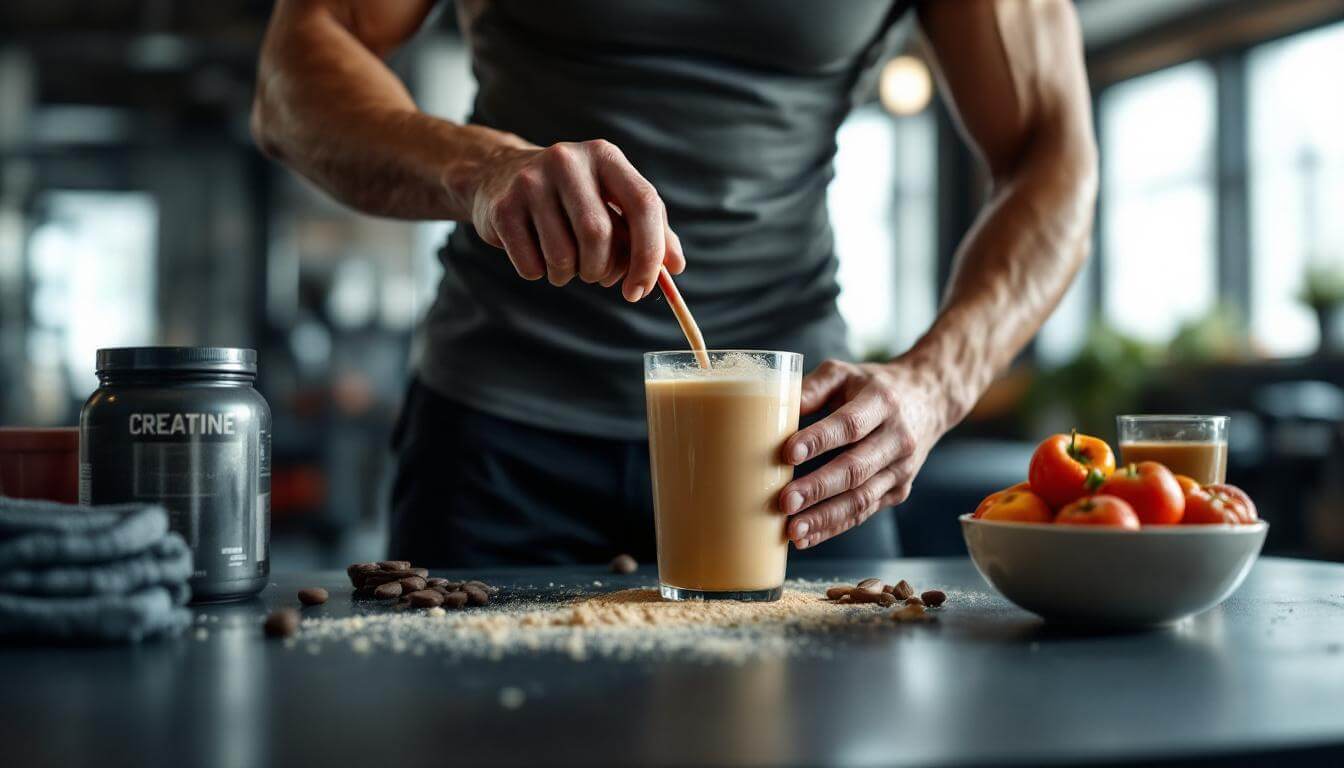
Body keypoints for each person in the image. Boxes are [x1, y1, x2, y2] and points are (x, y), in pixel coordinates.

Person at [251, 0, 1097, 566]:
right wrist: (478, 168)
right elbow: (299, 66)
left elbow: (1053, 152)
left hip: (801, 453)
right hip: (501, 438)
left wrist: (936, 384)